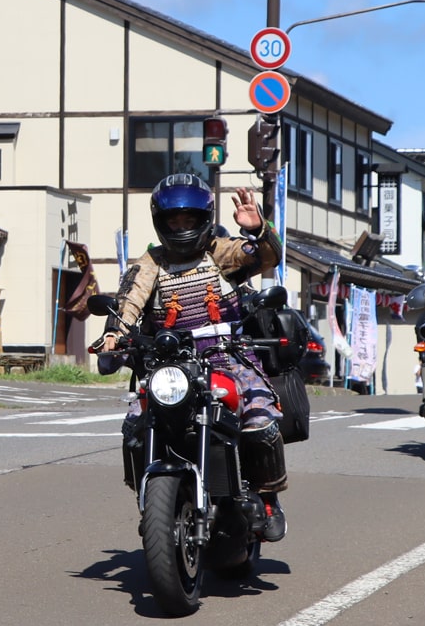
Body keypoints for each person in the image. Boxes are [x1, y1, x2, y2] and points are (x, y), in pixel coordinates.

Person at [95, 173, 288, 543]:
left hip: (229, 356)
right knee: (135, 426)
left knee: (259, 416)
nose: (181, 228)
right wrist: (114, 337)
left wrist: (259, 229)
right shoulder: (151, 261)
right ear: (160, 222)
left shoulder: (221, 250)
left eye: (189, 220)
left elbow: (267, 256)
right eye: (173, 221)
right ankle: (150, 500)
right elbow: (129, 301)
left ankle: (267, 500)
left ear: (203, 220)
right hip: (171, 364)